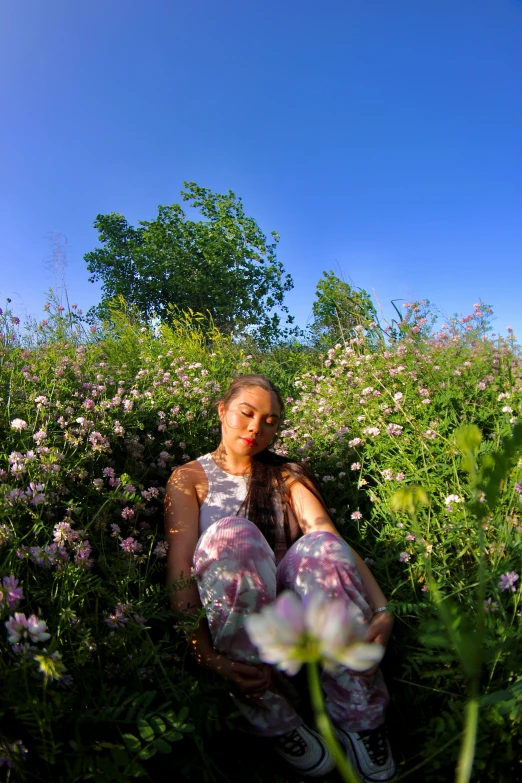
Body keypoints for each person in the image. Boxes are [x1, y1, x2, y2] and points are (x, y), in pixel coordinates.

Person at [164, 374, 396, 781]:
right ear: (222, 411)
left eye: (270, 421)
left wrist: (382, 608)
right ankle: (270, 711)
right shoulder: (190, 478)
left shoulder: (285, 474)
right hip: (242, 622)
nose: (256, 428)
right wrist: (207, 656)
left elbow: (330, 538)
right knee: (232, 535)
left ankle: (358, 713)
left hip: (300, 614)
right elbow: (180, 571)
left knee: (321, 545)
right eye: (246, 413)